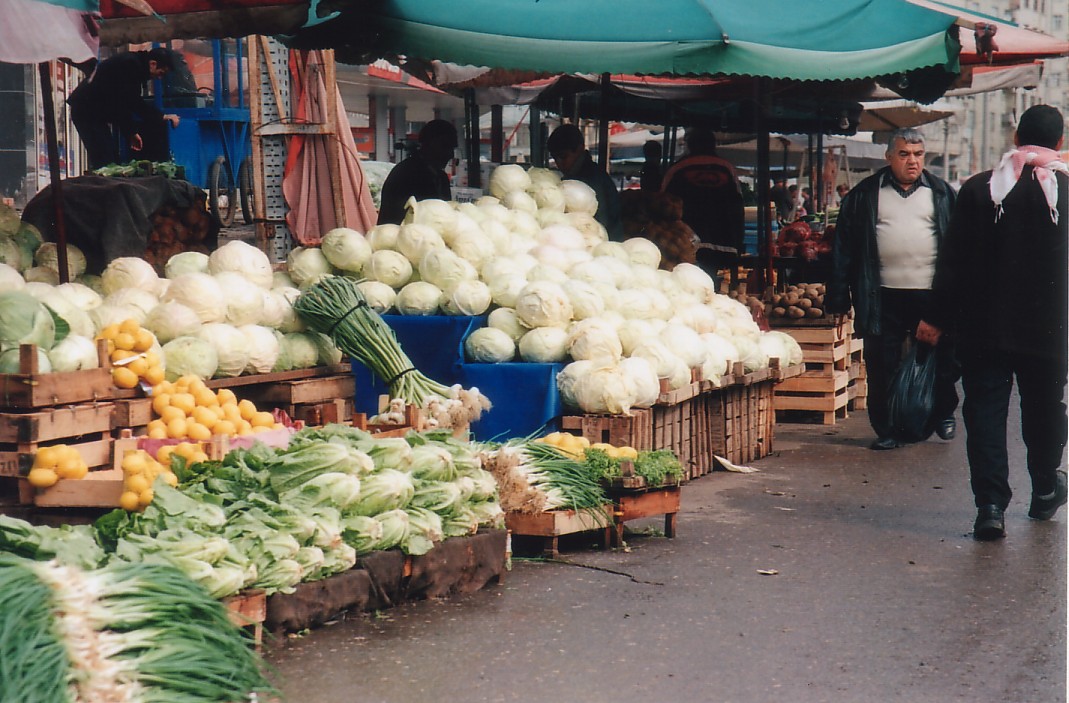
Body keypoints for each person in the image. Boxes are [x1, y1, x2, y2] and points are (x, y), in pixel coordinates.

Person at [915, 105, 1068, 540]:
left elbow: (954, 261)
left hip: (984, 328)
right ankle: (1043, 488)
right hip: (1048, 331)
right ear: (1059, 140)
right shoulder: (1065, 191)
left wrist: (936, 317)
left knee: (984, 413)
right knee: (1043, 409)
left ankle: (990, 507)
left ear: (1017, 136)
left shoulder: (981, 189)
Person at [826, 127, 959, 451]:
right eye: (904, 154)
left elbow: (959, 248)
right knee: (881, 362)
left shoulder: (942, 193)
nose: (912, 161)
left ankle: (942, 412)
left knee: (942, 357)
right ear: (889, 158)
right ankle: (887, 428)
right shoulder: (864, 194)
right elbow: (844, 248)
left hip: (931, 294)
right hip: (880, 294)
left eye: (917, 154)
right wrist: (838, 296)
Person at [67, 48, 180, 170]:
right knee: (105, 159)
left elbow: (127, 101)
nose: (159, 78)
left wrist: (133, 131)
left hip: (90, 110)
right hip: (87, 110)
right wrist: (133, 131)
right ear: (153, 64)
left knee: (108, 158)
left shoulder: (133, 63)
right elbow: (126, 102)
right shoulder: (131, 65)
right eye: (161, 73)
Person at [660, 127, 744, 281]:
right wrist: (738, 240)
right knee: (710, 274)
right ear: (713, 145)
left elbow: (663, 202)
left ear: (690, 145)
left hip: (687, 238)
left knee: (689, 277)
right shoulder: (726, 168)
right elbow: (738, 204)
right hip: (722, 238)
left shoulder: (677, 168)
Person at [547, 123, 623, 241]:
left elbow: (600, 223)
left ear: (579, 149)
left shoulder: (592, 178)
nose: (559, 163)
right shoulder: (576, 176)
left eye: (563, 156)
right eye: (555, 158)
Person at [377, 119, 458, 225]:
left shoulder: (441, 178)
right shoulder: (406, 174)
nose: (450, 154)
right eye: (445, 146)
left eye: (452, 148)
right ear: (429, 143)